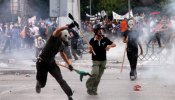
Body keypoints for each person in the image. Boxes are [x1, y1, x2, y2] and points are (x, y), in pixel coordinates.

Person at [35, 23, 76, 100]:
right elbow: (58, 30)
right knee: (42, 84)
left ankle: (69, 95)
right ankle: (39, 83)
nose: (63, 42)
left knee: (60, 80)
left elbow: (63, 54)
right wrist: (68, 26)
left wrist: (69, 64)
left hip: (51, 63)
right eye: (63, 40)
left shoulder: (61, 44)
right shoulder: (53, 38)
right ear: (61, 36)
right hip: (42, 63)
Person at [86, 24, 116, 95]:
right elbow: (90, 52)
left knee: (98, 77)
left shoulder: (105, 39)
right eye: (99, 30)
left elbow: (114, 44)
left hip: (103, 61)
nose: (101, 31)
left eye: (101, 30)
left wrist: (109, 46)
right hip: (95, 60)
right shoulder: (92, 40)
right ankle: (89, 86)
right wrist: (90, 49)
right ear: (96, 31)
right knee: (94, 74)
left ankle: (94, 90)